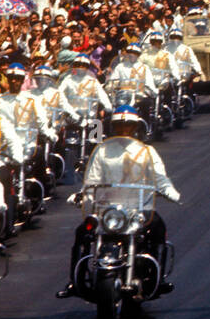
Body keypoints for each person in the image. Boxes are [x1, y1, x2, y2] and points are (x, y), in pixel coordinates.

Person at [57, 105, 180, 298]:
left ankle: (158, 279)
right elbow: (92, 180)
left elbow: (159, 176)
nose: (124, 130)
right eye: (120, 126)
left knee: (158, 227)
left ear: (136, 128)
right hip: (107, 210)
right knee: (82, 232)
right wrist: (82, 195)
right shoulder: (102, 150)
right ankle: (75, 280)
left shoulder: (147, 151)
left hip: (138, 208)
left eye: (128, 126)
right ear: (113, 128)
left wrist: (169, 190)